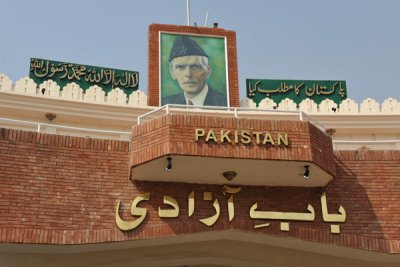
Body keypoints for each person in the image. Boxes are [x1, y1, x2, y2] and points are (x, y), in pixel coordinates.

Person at [162, 35, 227, 106]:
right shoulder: (165, 104)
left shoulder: (225, 103)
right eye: (181, 67)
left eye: (195, 67)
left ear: (208, 71)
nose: (188, 74)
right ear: (172, 72)